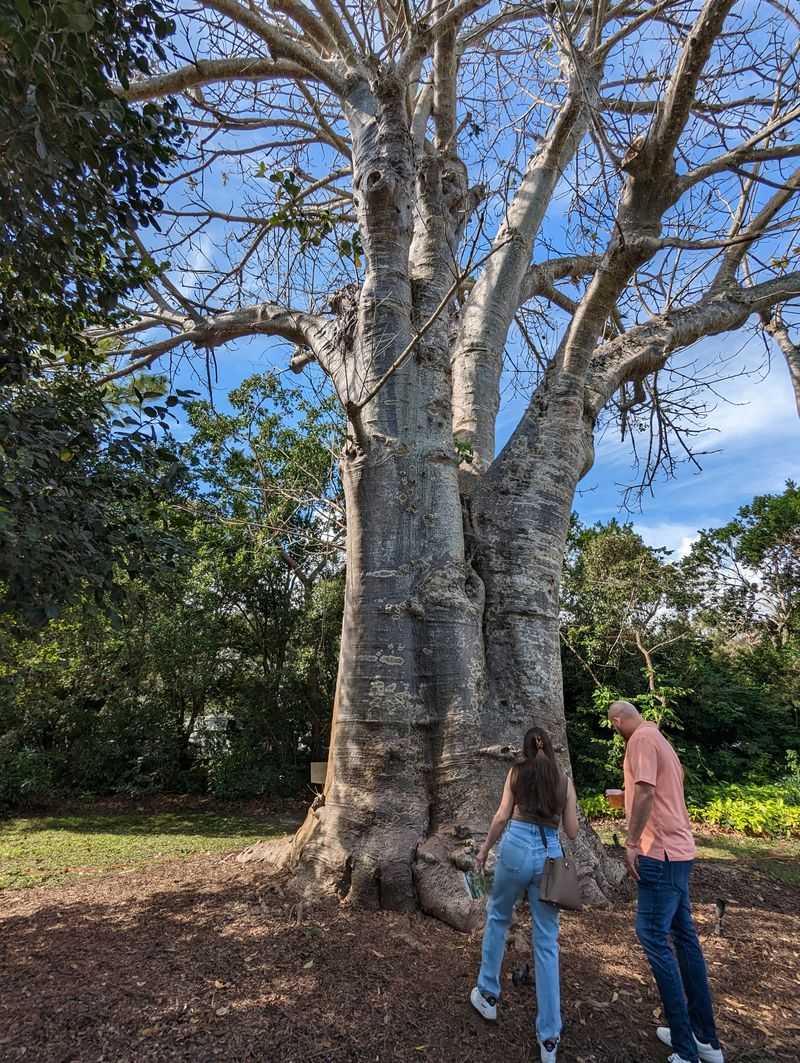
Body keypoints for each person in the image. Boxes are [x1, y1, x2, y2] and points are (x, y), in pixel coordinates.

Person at [607, 700, 724, 1063]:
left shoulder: (640, 739)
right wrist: (625, 799)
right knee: (684, 939)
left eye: (613, 726)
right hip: (680, 850)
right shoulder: (659, 739)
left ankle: (686, 1048)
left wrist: (630, 842)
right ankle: (704, 1038)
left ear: (618, 719)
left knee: (653, 937)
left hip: (660, 853)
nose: (614, 731)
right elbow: (663, 787)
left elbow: (645, 791)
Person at [470, 725, 579, 1063]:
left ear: (526, 748)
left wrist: (485, 849)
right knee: (546, 943)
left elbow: (502, 815)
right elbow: (572, 831)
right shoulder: (563, 780)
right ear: (550, 747)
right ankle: (549, 1037)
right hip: (550, 852)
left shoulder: (517, 772)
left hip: (515, 847)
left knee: (498, 916)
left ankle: (487, 995)